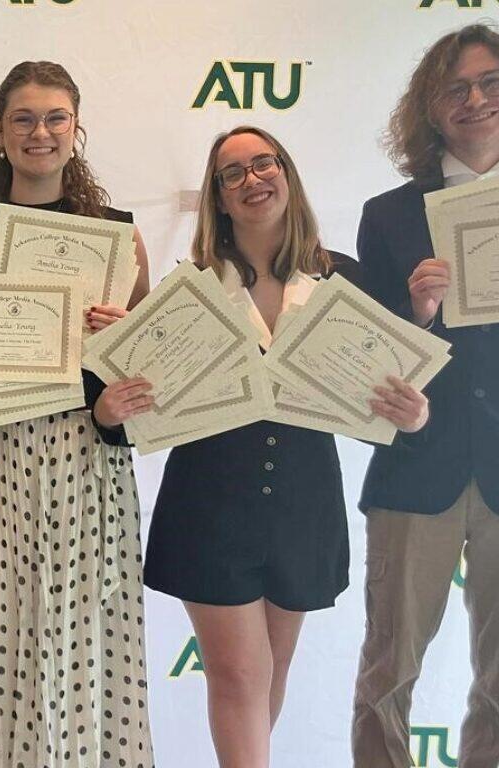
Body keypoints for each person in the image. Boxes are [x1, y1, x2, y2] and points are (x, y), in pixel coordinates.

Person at [141, 126, 428, 768]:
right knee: (239, 675)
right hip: (209, 504)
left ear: (287, 174)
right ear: (218, 197)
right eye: (232, 173)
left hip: (303, 503)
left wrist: (411, 413)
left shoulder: (342, 278)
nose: (252, 180)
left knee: (270, 670)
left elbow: (386, 387)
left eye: (263, 164)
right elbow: (141, 396)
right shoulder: (192, 286)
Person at [0, 60, 155, 768]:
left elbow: (146, 376)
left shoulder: (119, 239)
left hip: (85, 461)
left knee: (82, 638)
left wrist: (122, 346)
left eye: (54, 118)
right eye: (22, 118)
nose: (39, 132)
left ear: (76, 129)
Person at [352, 24, 499, 768]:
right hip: (415, 467)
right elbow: (364, 360)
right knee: (388, 675)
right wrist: (415, 314)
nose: (476, 99)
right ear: (431, 108)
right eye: (456, 88)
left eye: (491, 82)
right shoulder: (389, 215)